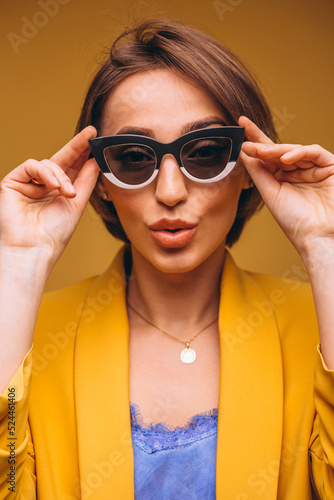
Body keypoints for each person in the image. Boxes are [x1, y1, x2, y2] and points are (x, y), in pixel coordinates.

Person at [0, 17, 334, 500]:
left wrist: (324, 245)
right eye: (134, 157)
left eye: (204, 151)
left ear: (248, 165)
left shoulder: (315, 325)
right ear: (103, 180)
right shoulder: (29, 335)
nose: (171, 192)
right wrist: (19, 261)